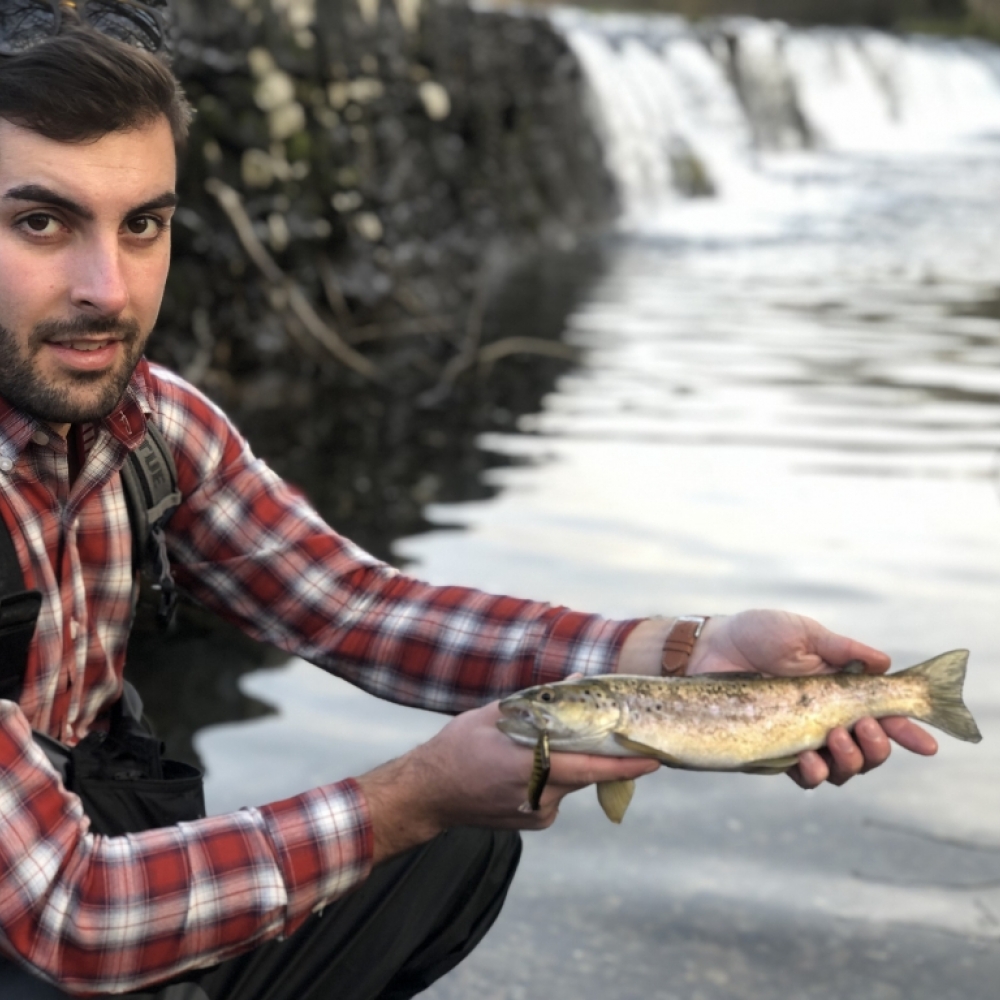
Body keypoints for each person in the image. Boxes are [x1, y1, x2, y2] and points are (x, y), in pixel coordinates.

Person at [0, 5, 937, 999]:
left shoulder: (145, 419)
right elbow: (73, 915)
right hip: (51, 911)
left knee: (450, 851)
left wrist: (677, 657)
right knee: (423, 815)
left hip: (77, 846)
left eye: (142, 224)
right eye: (40, 222)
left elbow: (355, 607)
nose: (107, 287)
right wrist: (416, 791)